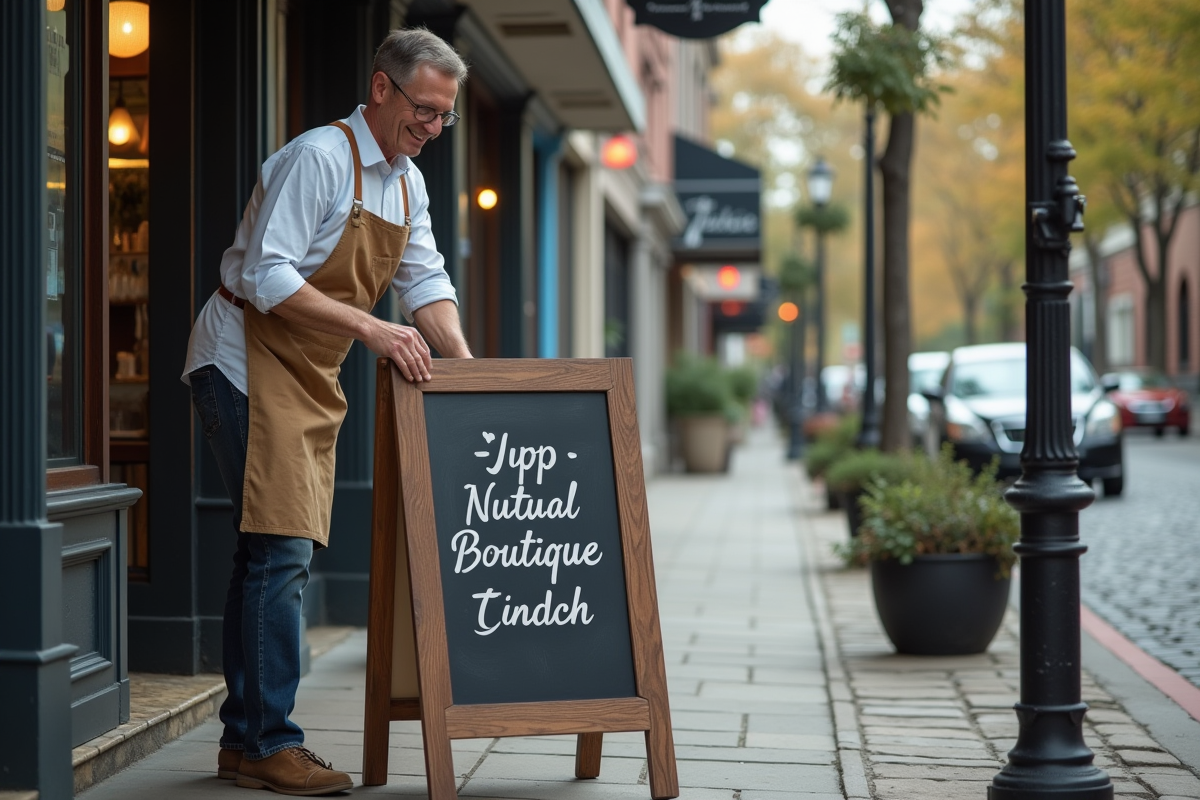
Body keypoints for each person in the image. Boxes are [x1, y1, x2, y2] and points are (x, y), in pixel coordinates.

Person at [181, 28, 470, 796]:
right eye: (424, 108)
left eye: (445, 115)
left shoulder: (407, 184)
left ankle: (245, 742)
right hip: (241, 358)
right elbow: (265, 274)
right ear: (380, 88)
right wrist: (373, 330)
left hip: (306, 372)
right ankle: (271, 743)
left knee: (267, 553)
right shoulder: (319, 158)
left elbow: (425, 283)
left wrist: (469, 370)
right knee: (282, 550)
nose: (433, 127)